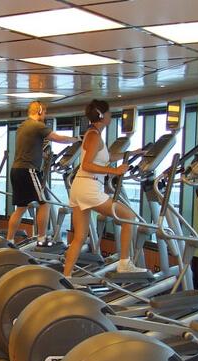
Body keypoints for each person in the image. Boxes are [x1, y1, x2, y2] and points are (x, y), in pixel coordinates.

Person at [63, 99, 147, 277]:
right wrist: (114, 171)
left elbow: (107, 157)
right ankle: (124, 263)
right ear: (102, 115)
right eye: (108, 112)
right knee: (129, 217)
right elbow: (87, 164)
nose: (110, 115)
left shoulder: (92, 134)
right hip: (89, 187)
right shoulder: (94, 136)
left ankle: (66, 276)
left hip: (80, 187)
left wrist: (131, 153)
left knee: (79, 237)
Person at [7, 101, 80, 246]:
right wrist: (76, 140)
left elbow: (28, 147)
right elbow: (58, 138)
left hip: (16, 170)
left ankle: (9, 240)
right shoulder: (37, 125)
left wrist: (42, 155)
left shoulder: (23, 126)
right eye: (45, 113)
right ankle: (42, 238)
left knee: (21, 208)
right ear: (40, 111)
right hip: (28, 170)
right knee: (45, 203)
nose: (45, 116)